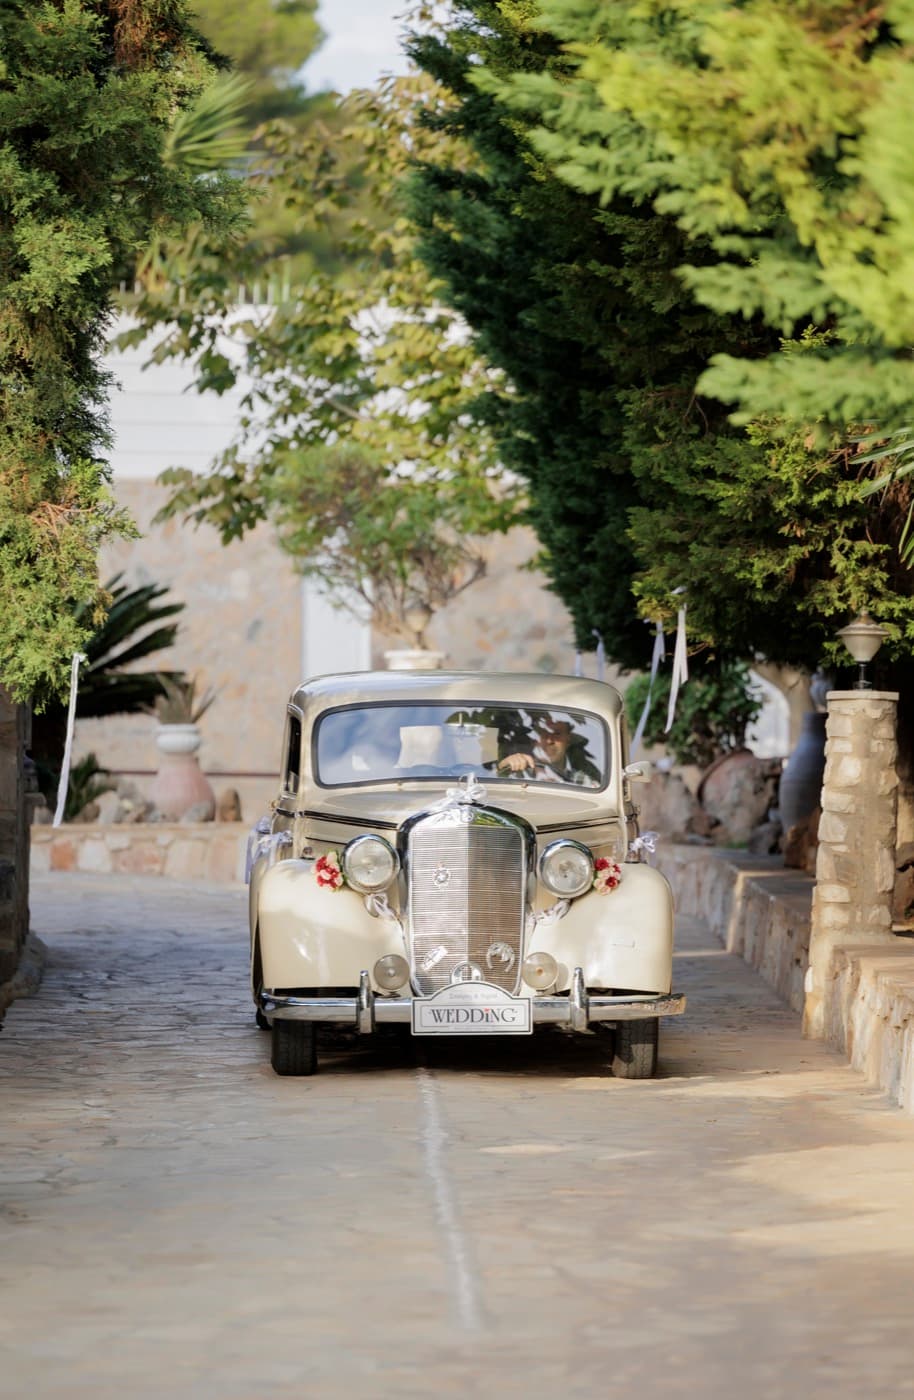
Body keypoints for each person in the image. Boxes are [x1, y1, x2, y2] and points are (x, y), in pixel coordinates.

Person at [496, 715, 599, 787]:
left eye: (557, 734)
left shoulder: (581, 779)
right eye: (544, 733)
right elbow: (489, 788)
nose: (549, 740)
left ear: (568, 740)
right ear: (536, 740)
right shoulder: (520, 771)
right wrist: (503, 766)